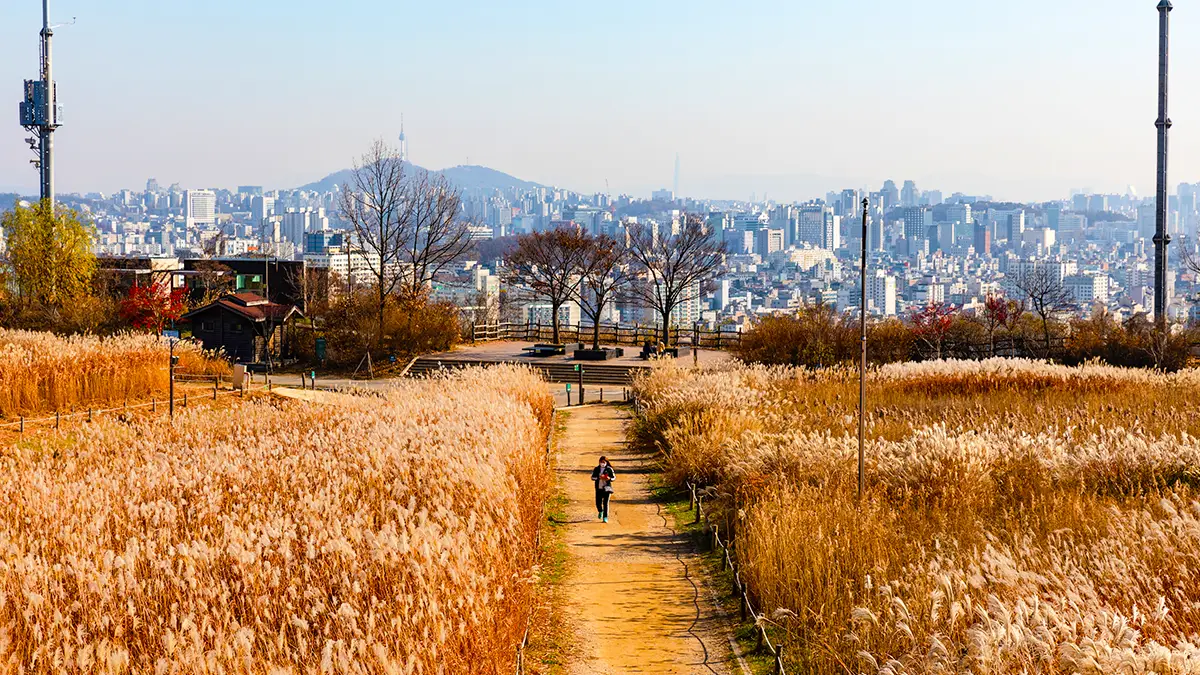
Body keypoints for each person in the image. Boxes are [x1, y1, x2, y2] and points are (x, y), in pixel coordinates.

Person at [591, 456, 616, 523]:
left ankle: (605, 517)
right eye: (601, 462)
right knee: (598, 502)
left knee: (606, 503)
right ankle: (600, 511)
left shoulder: (609, 469)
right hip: (599, 488)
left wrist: (609, 479)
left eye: (604, 462)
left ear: (606, 462)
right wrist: (599, 477)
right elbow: (592, 478)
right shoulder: (596, 469)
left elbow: (614, 478)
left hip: (607, 489)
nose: (602, 463)